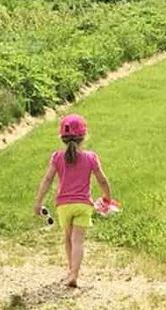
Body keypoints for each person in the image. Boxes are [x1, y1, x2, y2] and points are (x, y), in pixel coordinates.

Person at [33, 114, 112, 288]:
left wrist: (38, 202)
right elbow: (102, 180)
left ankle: (70, 270)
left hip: (64, 206)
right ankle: (75, 273)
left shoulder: (57, 157)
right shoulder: (91, 157)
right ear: (84, 137)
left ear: (62, 137)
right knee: (78, 241)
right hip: (83, 205)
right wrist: (107, 197)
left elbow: (47, 180)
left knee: (68, 239)